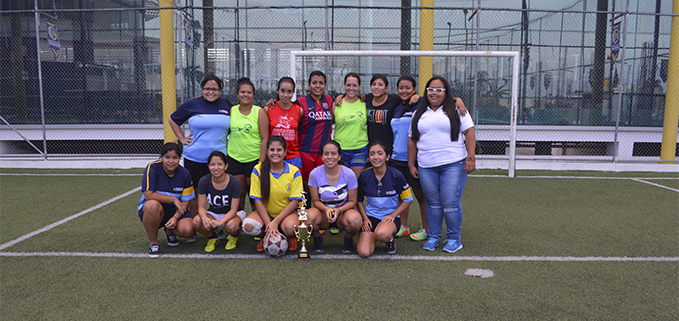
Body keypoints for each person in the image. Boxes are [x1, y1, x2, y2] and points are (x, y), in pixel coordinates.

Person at [408, 76, 476, 253]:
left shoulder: (456, 109)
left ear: (446, 92)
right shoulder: (418, 113)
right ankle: (434, 236)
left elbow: (469, 132)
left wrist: (471, 158)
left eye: (439, 90)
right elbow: (412, 140)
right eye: (431, 89)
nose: (434, 93)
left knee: (450, 201)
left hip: (453, 164)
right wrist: (411, 164)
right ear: (426, 91)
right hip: (426, 166)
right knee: (433, 203)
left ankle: (454, 239)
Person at [168, 74, 232, 241]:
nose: (211, 92)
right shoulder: (192, 104)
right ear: (202, 89)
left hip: (219, 160)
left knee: (222, 192)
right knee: (196, 194)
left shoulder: (226, 105)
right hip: (195, 157)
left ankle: (222, 226)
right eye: (207, 88)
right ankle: (198, 227)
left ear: (220, 90)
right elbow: (173, 119)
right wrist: (182, 139)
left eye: (214, 89)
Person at [241, 136, 304, 252]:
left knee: (291, 228)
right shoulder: (258, 170)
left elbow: (295, 201)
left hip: (287, 214)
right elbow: (257, 200)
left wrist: (275, 222)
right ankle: (264, 236)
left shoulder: (294, 171)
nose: (275, 153)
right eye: (272, 150)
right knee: (248, 227)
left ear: (285, 152)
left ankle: (290, 237)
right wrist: (268, 224)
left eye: (279, 150)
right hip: (265, 213)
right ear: (267, 152)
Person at [137, 142, 196, 258]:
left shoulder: (185, 173)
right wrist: (173, 199)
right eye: (167, 157)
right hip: (154, 210)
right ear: (162, 157)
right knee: (152, 205)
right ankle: (153, 244)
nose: (171, 161)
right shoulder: (152, 168)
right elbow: (149, 195)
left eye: (175, 157)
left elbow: (186, 201)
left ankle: (169, 231)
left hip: (174, 211)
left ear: (179, 158)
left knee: (189, 230)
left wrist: (175, 218)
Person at [356, 141, 413, 258]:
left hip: (389, 219)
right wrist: (365, 218)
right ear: (369, 157)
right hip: (371, 218)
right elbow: (359, 199)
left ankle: (389, 239)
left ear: (387, 157)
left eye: (380, 153)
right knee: (364, 252)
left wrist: (393, 215)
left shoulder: (397, 175)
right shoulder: (364, 175)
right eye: (372, 154)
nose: (376, 157)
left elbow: (408, 199)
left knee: (382, 234)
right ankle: (373, 236)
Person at [389, 76, 429, 240]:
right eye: (401, 88)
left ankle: (426, 229)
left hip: (415, 160)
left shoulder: (421, 104)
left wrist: (419, 98)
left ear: (414, 89)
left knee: (421, 197)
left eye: (407, 88)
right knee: (401, 195)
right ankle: (403, 227)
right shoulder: (397, 107)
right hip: (396, 160)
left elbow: (444, 99)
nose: (404, 91)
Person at [306, 140, 363, 253]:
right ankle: (317, 238)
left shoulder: (349, 173)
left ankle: (348, 239)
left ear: (339, 156)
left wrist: (338, 210)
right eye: (326, 153)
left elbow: (352, 201)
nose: (330, 157)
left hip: (343, 214)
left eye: (333, 153)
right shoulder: (314, 174)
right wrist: (327, 209)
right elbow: (316, 201)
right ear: (322, 156)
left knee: (355, 220)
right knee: (308, 218)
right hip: (323, 214)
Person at [229, 77, 269, 215]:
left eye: (249, 92)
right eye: (242, 92)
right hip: (234, 157)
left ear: (253, 95)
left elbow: (265, 139)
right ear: (237, 94)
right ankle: (237, 224)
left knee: (254, 193)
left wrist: (262, 161)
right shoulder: (232, 111)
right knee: (238, 192)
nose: (245, 95)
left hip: (254, 158)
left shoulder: (259, 112)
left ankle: (257, 224)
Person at [192, 151, 243, 252]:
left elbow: (234, 209)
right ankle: (213, 237)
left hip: (233, 214)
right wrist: (204, 218)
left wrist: (220, 222)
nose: (216, 168)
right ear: (208, 166)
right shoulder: (204, 181)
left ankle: (234, 236)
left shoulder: (234, 182)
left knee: (231, 226)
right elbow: (201, 207)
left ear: (226, 166)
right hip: (214, 213)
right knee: (197, 221)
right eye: (212, 164)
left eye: (220, 164)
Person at [333, 72, 369, 179]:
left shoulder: (365, 103)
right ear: (344, 86)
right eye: (348, 85)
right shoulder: (336, 104)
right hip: (340, 149)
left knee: (354, 183)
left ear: (359, 86)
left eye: (354, 85)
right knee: (341, 184)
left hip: (360, 149)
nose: (351, 88)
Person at [266, 77, 303, 169]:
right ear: (277, 91)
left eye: (289, 91)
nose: (286, 95)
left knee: (295, 182)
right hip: (275, 154)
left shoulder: (299, 110)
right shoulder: (269, 109)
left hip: (293, 156)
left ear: (293, 93)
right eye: (282, 91)